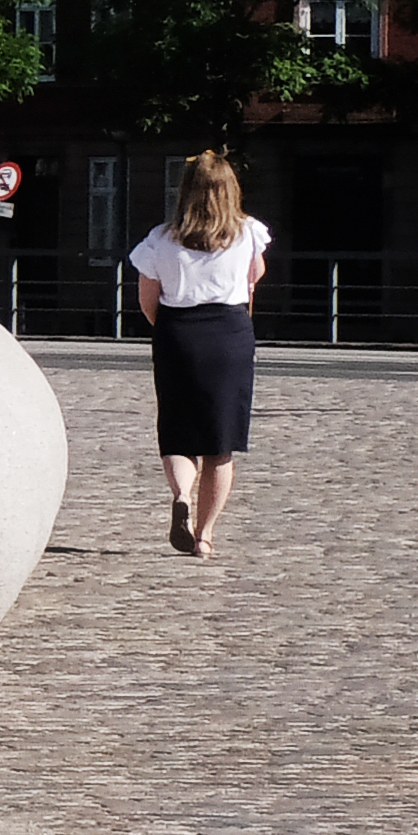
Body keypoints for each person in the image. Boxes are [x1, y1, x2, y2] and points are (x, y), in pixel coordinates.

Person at [125, 146, 270, 557]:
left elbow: (147, 299)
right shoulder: (248, 233)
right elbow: (255, 276)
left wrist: (171, 331)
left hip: (177, 333)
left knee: (177, 432)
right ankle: (205, 536)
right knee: (219, 445)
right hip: (229, 334)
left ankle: (181, 496)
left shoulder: (160, 240)